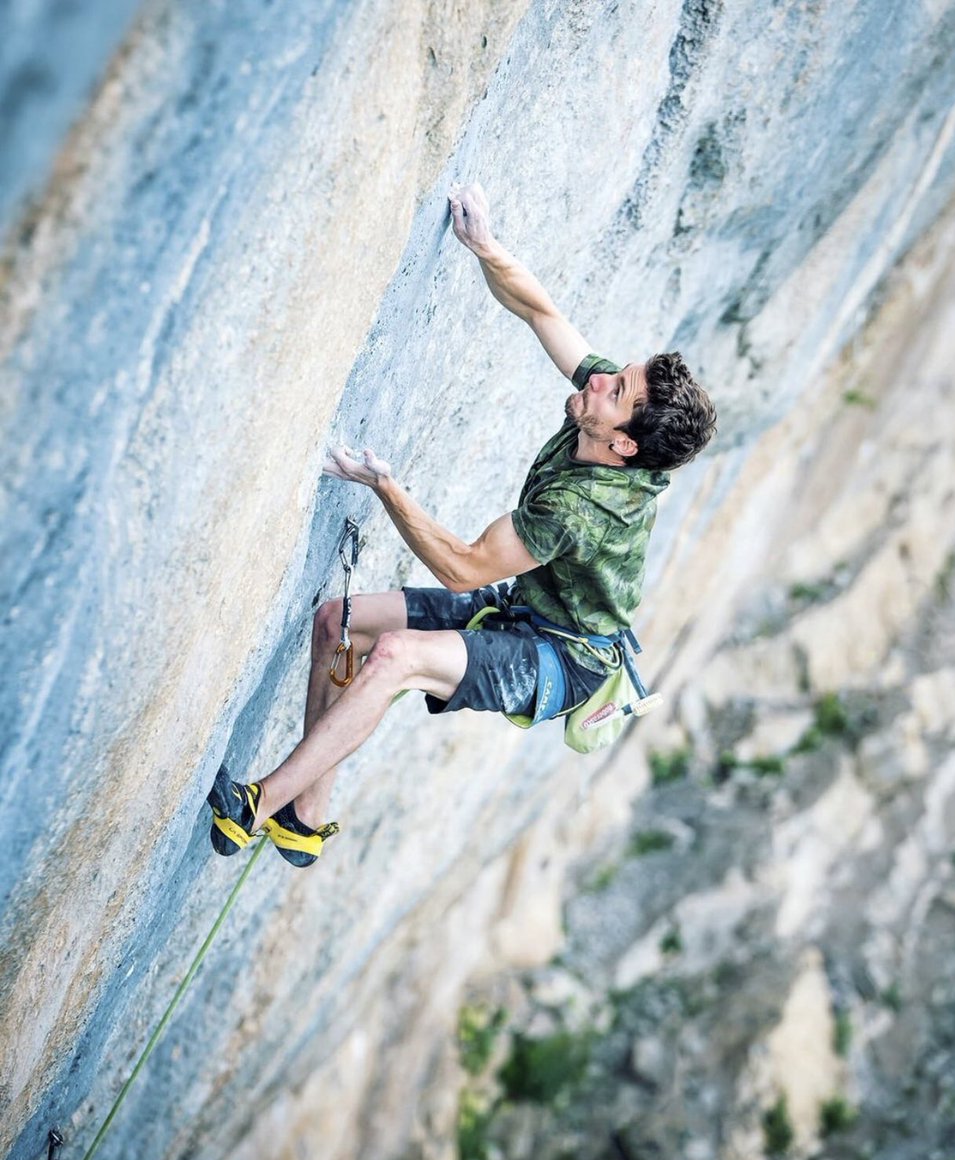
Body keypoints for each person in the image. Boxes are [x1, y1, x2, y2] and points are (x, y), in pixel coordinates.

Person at [207, 182, 716, 868]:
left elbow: (463, 568)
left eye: (615, 389)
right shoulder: (609, 418)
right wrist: (485, 246)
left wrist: (385, 487)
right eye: (615, 374)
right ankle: (304, 817)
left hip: (560, 659)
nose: (597, 380)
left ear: (623, 444)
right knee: (338, 622)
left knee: (396, 657)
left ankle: (255, 807)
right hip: (528, 611)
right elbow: (541, 312)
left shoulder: (582, 510)